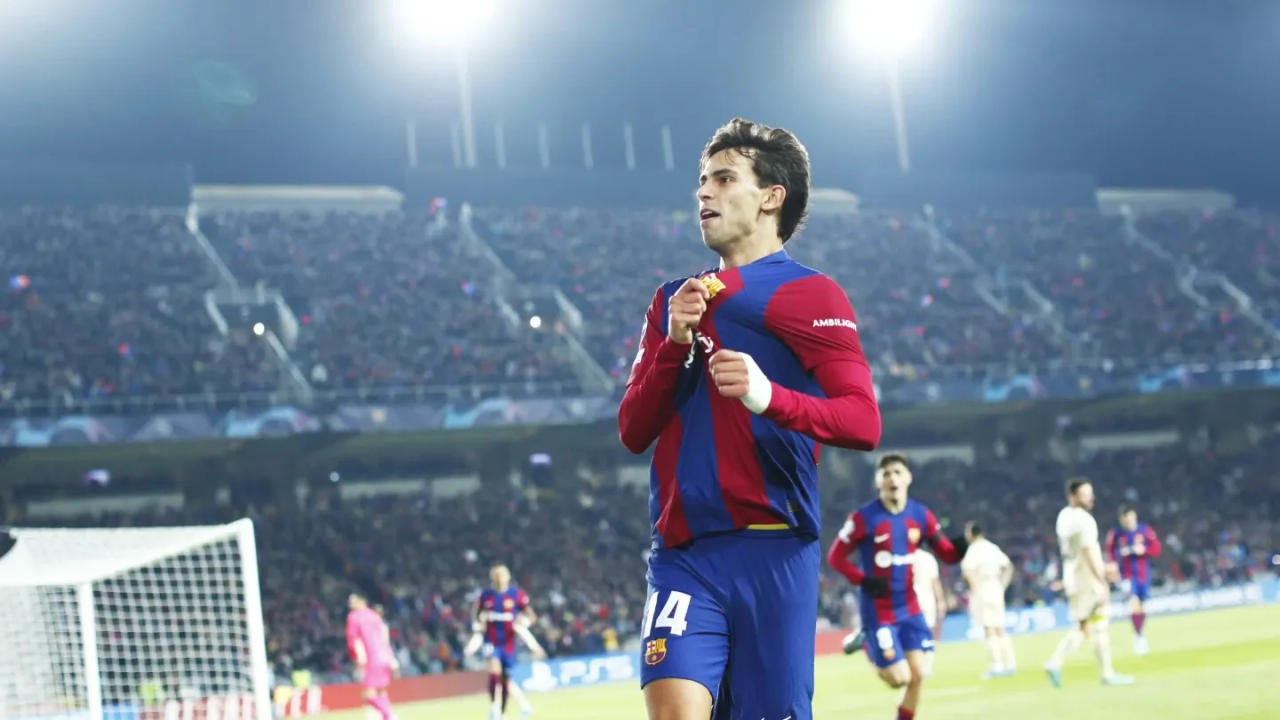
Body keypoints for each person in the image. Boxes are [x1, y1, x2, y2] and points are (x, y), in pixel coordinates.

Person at [618, 117, 881, 720]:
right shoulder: (671, 300)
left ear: (771, 197)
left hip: (774, 549)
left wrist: (770, 397)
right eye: (702, 181)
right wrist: (673, 345)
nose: (703, 193)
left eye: (723, 178)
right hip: (682, 556)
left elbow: (862, 422)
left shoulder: (813, 295)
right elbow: (633, 430)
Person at [827, 454, 966, 720]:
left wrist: (959, 550)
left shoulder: (920, 514)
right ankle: (867, 640)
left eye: (897, 472)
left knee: (919, 675)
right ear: (878, 481)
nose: (892, 478)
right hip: (878, 610)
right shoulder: (864, 518)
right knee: (899, 678)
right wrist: (864, 580)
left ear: (908, 478)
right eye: (886, 473)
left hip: (909, 606)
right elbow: (835, 557)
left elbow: (946, 553)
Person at [1044, 479, 1135, 687]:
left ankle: (1055, 662)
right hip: (1087, 578)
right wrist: (1101, 579)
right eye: (1086, 494)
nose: (1091, 498)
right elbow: (1087, 552)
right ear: (1073, 496)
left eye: (1090, 493)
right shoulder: (1084, 520)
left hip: (1072, 576)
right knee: (1100, 625)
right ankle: (1107, 673)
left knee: (1084, 626)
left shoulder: (1063, 516)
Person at [465, 564, 545, 720]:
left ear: (507, 577)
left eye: (501, 576)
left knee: (505, 679)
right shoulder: (486, 596)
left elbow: (532, 616)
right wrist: (476, 625)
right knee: (495, 674)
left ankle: (508, 710)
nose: (499, 580)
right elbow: (476, 614)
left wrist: (525, 623)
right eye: (496, 577)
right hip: (491, 642)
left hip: (508, 643)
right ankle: (497, 710)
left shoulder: (516, 595)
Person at [960, 522, 1016, 678]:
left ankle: (996, 666)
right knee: (1000, 627)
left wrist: (975, 589)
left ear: (971, 534)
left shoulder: (974, 549)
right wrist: (1003, 585)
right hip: (996, 586)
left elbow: (968, 570)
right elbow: (1009, 566)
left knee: (989, 629)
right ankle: (1010, 663)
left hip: (984, 587)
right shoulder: (992, 547)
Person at [1106, 505, 1162, 655]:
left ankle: (1140, 633)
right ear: (1121, 520)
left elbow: (1157, 549)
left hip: (1144, 575)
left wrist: (1144, 550)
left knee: (1142, 608)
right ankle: (1139, 638)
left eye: (1131, 518)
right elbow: (1110, 553)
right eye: (1126, 520)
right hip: (1127, 577)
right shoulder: (1117, 535)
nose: (1129, 522)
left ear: (1135, 517)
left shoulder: (1145, 530)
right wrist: (1116, 563)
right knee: (1134, 604)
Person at [345, 593, 399, 720]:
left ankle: (388, 715)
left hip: (371, 657)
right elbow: (384, 637)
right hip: (384, 656)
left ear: (361, 601)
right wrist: (391, 658)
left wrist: (359, 659)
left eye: (353, 601)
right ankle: (382, 716)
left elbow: (354, 640)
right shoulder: (375, 616)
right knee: (381, 689)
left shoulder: (354, 617)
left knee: (368, 692)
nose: (350, 604)